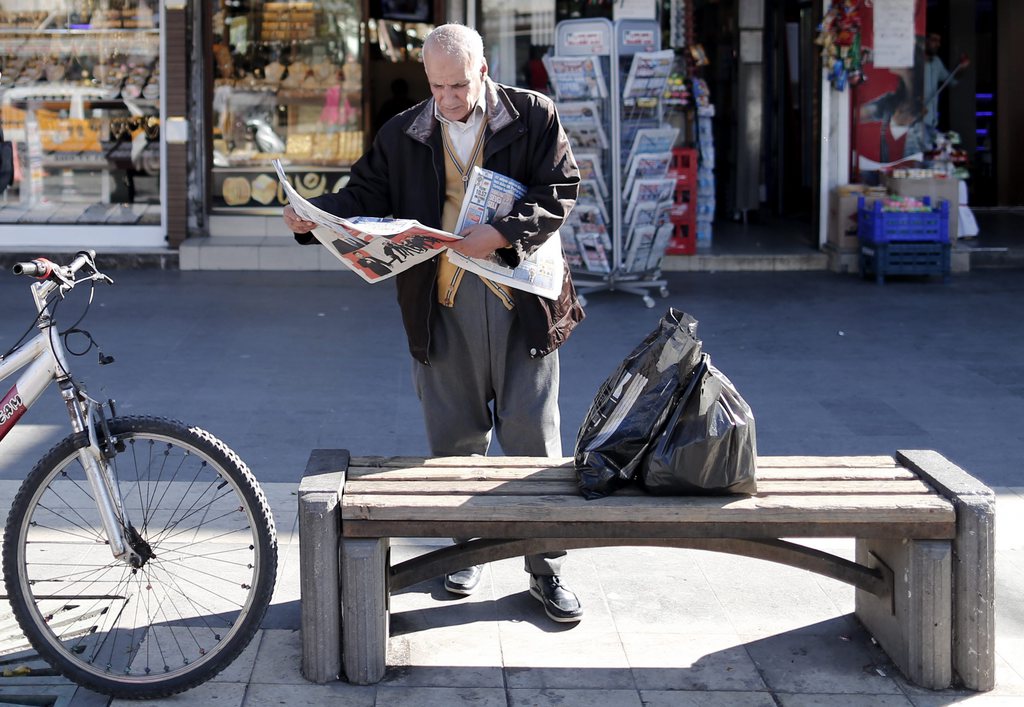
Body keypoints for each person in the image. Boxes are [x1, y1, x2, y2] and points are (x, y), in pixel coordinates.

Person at [283, 23, 586, 623]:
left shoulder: (532, 114)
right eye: (437, 87)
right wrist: (314, 219)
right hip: (441, 307)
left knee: (533, 441)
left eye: (458, 85)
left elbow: (562, 186)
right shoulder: (405, 131)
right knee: (453, 446)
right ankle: (464, 550)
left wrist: (502, 232)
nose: (448, 99)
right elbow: (365, 194)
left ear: (482, 69)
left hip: (522, 303)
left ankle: (546, 568)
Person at [923, 33, 953, 131]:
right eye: (934, 40)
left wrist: (960, 67)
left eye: (938, 41)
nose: (938, 44)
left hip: (932, 122)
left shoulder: (936, 61)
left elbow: (951, 80)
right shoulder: (914, 61)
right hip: (917, 123)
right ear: (925, 40)